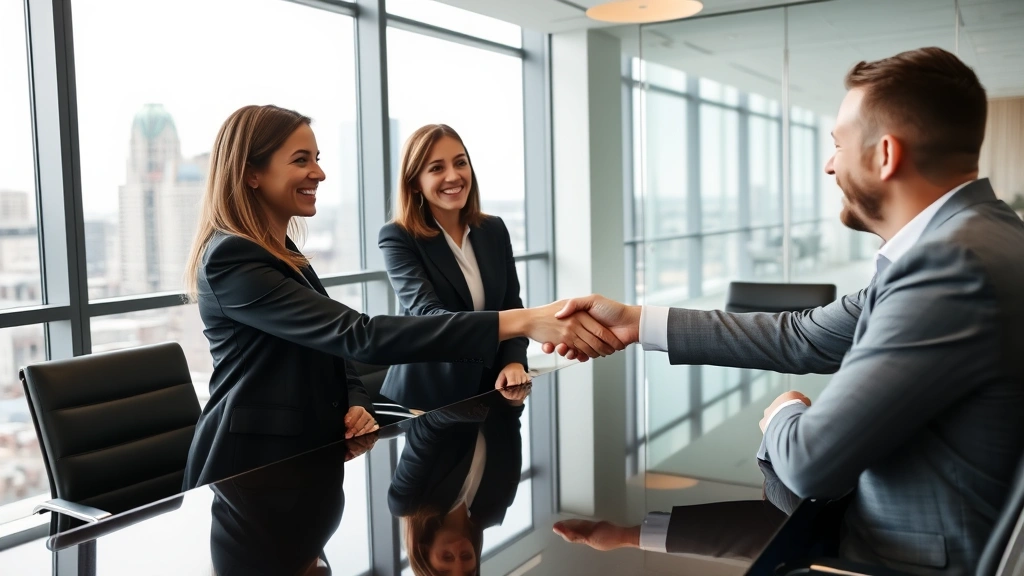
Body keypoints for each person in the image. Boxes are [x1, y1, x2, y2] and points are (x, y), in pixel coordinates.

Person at [549, 47, 1024, 573]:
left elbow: (809, 463)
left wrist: (782, 414)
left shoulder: (948, 267)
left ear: (885, 155)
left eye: (838, 144)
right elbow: (805, 335)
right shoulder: (984, 238)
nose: (828, 164)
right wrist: (638, 322)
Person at [182, 105, 623, 490]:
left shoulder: (280, 252)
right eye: (301, 160)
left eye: (317, 159)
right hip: (249, 470)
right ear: (250, 173)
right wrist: (524, 321)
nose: (318, 172)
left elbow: (330, 349)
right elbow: (358, 335)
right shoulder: (233, 258)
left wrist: (355, 399)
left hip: (306, 459)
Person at [378, 124, 530, 411]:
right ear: (414, 182)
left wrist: (513, 360)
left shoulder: (493, 229)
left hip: (493, 391)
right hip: (425, 402)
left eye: (460, 163)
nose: (453, 176)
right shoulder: (398, 237)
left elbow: (512, 304)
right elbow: (429, 317)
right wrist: (530, 321)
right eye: (436, 168)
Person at [390, 384, 529, 576]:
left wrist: (476, 407)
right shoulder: (496, 506)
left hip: (436, 378)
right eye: (466, 557)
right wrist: (516, 396)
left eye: (447, 557)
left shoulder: (407, 502)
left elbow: (426, 425)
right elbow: (511, 419)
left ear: (424, 552)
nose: (457, 550)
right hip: (495, 379)